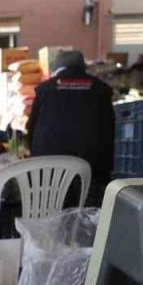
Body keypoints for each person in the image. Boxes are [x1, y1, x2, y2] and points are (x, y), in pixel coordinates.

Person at [26, 50, 115, 197]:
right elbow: (111, 128)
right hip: (92, 170)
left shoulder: (45, 89)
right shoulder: (102, 89)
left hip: (48, 171)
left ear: (58, 68)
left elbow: (31, 127)